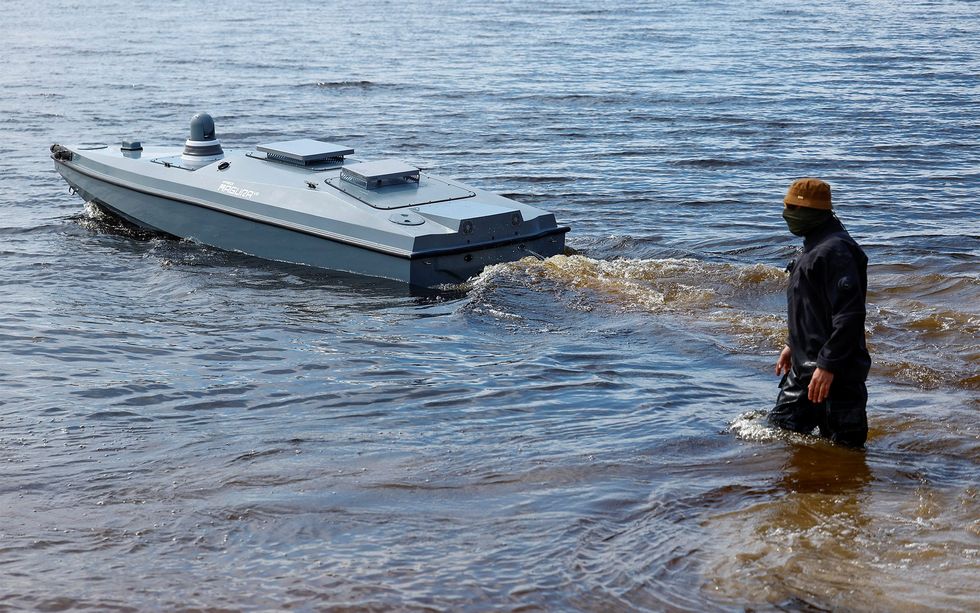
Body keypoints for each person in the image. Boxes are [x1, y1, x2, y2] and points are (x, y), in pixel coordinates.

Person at [769, 178, 871, 448]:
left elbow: (849, 316)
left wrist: (827, 365)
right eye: (786, 206)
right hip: (806, 371)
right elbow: (814, 308)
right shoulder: (815, 245)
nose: (786, 214)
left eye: (792, 207)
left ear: (812, 211)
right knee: (780, 442)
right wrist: (793, 344)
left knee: (845, 455)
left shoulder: (836, 251)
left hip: (835, 379)